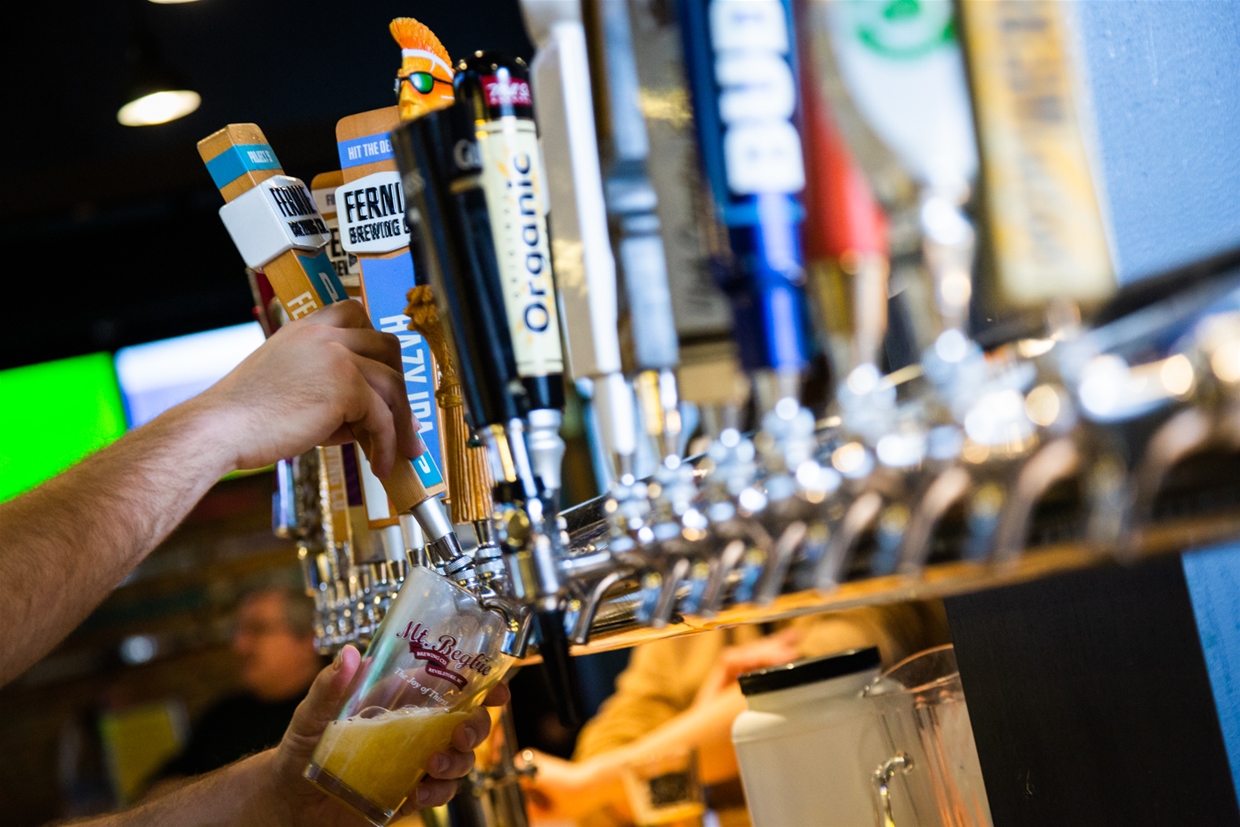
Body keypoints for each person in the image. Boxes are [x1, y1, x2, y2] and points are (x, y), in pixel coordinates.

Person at [0, 300, 508, 825]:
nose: (239, 645)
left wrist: (282, 800)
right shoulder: (227, 715)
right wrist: (224, 422)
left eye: (258, 628)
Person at [521, 603, 948, 827]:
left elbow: (816, 689)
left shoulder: (870, 568)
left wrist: (590, 785)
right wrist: (704, 720)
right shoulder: (694, 599)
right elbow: (604, 751)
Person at [157, 587, 326, 782]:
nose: (240, 645)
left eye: (258, 629)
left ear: (308, 640)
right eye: (237, 631)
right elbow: (165, 785)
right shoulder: (222, 717)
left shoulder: (337, 709)